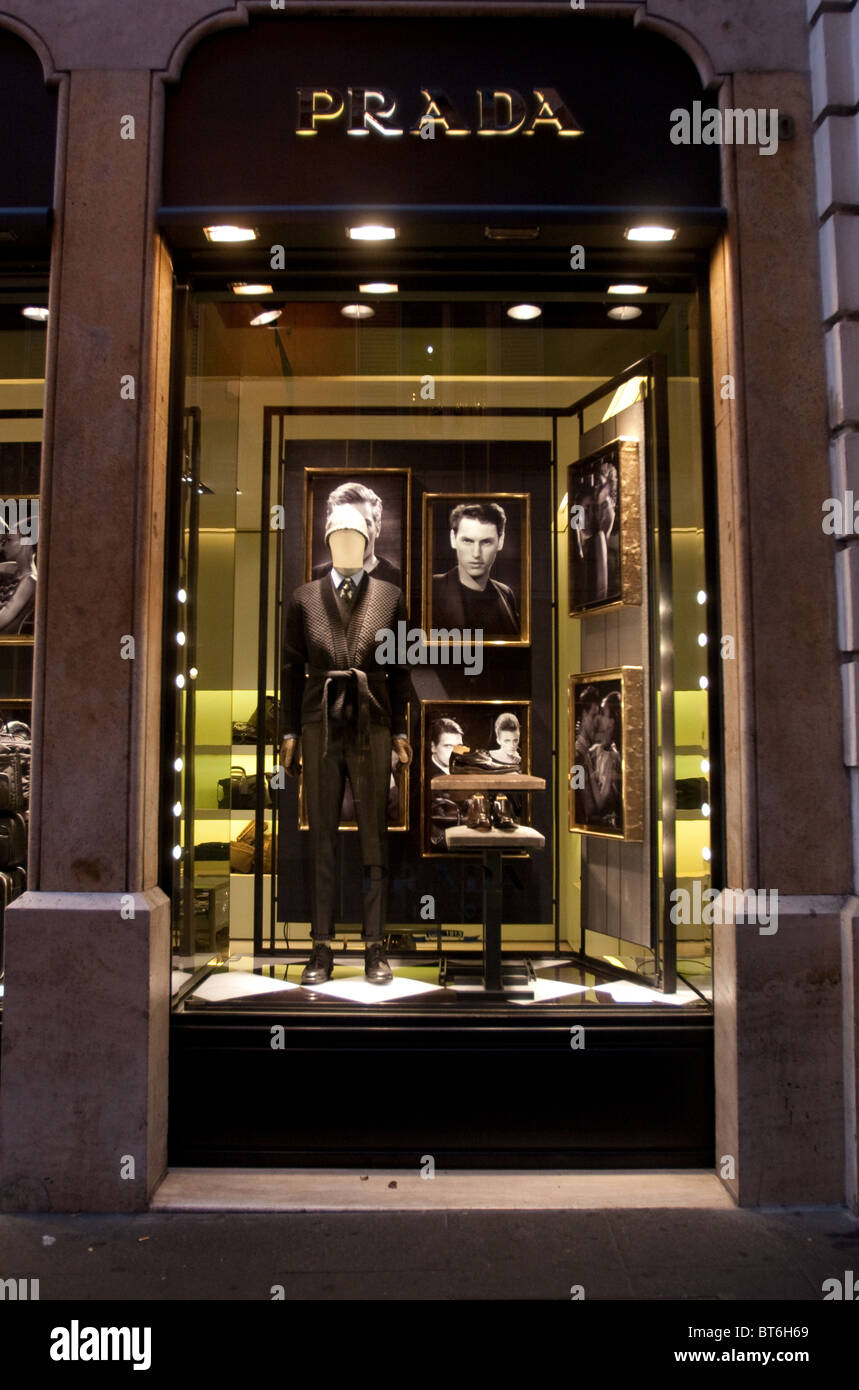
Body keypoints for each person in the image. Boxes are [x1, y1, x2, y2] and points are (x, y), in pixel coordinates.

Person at [281, 503, 413, 984]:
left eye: (356, 537)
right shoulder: (303, 598)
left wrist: (399, 731)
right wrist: (289, 732)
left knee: (374, 835)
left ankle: (375, 946)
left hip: (372, 721)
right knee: (321, 836)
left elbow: (401, 669)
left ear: (368, 543)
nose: (347, 544)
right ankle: (320, 947)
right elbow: (291, 668)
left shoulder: (390, 596)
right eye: (338, 537)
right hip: (319, 723)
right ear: (327, 543)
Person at [432, 500, 519, 636]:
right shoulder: (432, 588)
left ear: (500, 541)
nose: (476, 553)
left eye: (486, 542)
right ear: (453, 539)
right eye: (467, 541)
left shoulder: (506, 594)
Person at [311, 480, 401, 587]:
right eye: (345, 522)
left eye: (365, 523)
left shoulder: (397, 580)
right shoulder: (313, 577)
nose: (356, 533)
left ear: (378, 527)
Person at [427, 716, 465, 850]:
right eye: (448, 746)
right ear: (433, 747)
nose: (455, 753)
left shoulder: (467, 771)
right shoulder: (425, 777)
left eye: (458, 747)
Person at [586, 691, 622, 828]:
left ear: (612, 721)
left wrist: (588, 768)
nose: (599, 718)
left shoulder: (614, 756)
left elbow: (600, 803)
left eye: (603, 713)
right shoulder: (597, 750)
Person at [573, 684, 601, 825]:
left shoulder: (588, 751)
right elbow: (587, 806)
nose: (597, 723)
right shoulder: (578, 755)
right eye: (593, 716)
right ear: (584, 715)